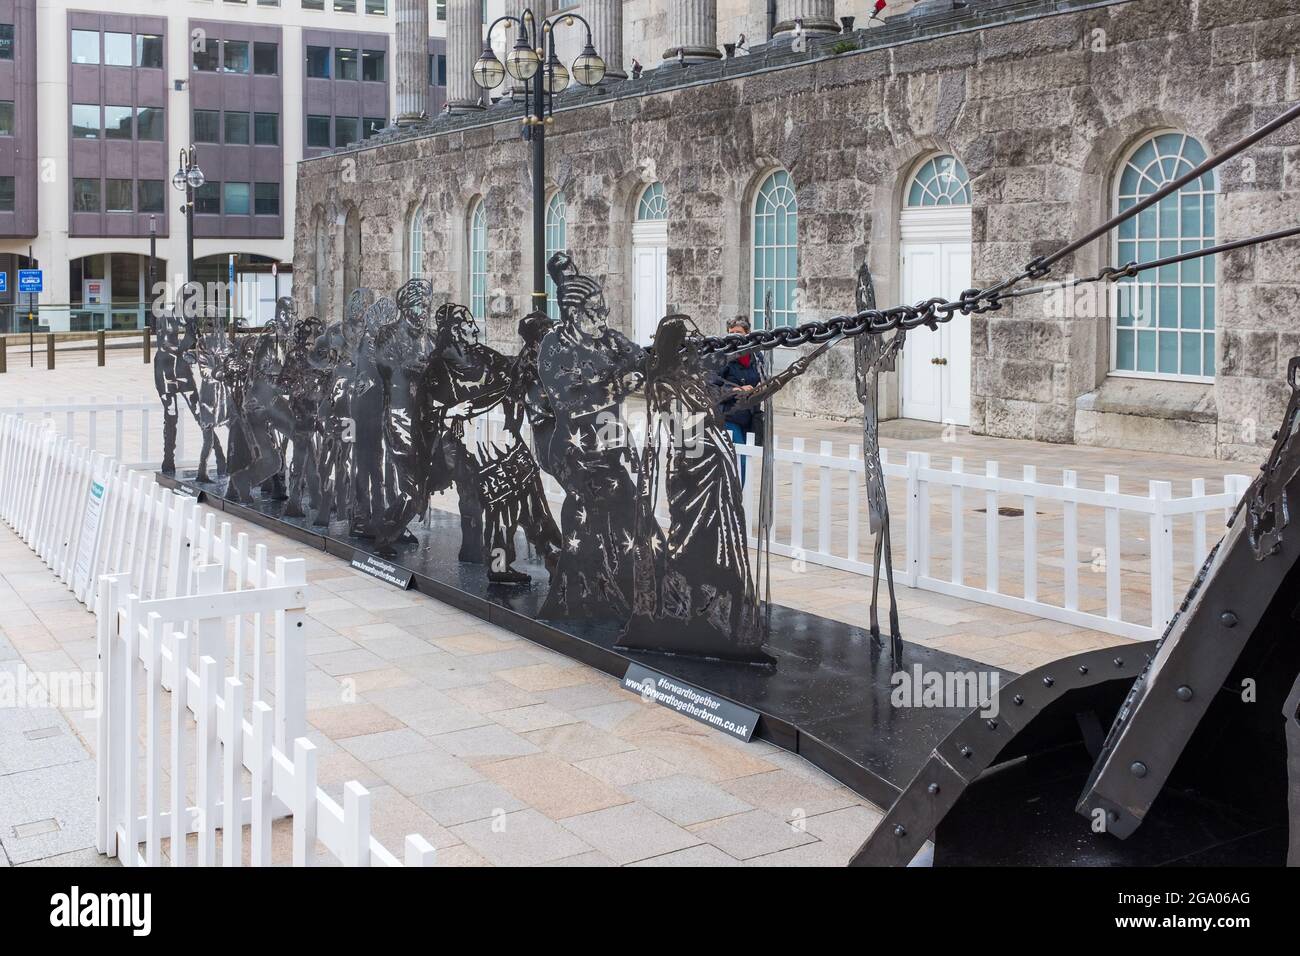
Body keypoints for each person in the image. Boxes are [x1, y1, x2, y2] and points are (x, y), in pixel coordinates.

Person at [716, 315, 764, 484]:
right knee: (740, 459)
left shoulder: (757, 358)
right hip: (730, 417)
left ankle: (735, 495)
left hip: (749, 417)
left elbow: (762, 379)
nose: (734, 336)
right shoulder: (722, 358)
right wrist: (735, 390)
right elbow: (712, 386)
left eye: (738, 332)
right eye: (731, 333)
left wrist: (762, 388)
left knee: (747, 458)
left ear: (747, 334)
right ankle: (737, 497)